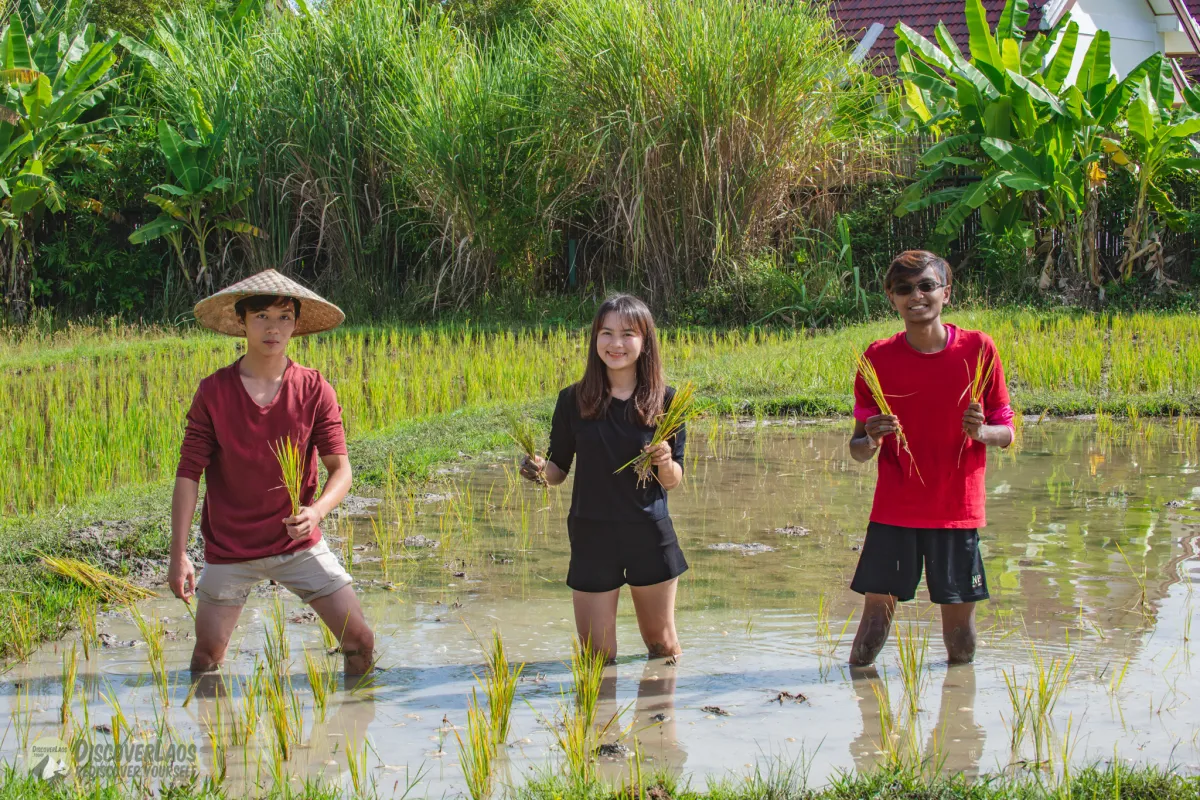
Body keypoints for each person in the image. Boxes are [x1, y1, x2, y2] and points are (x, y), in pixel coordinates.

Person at [168, 269, 375, 676]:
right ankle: (214, 734)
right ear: (242, 322)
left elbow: (341, 470)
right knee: (206, 657)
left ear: (296, 325)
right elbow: (188, 474)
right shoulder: (214, 391)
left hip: (297, 541)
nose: (273, 328)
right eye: (261, 316)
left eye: (283, 317)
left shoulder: (315, 389)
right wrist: (178, 555)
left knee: (361, 642)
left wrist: (315, 513)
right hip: (231, 547)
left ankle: (349, 730)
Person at [847, 251, 1014, 666]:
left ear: (946, 292)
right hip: (895, 512)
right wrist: (870, 439)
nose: (915, 296)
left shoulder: (978, 349)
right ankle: (867, 724)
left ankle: (958, 717)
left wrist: (981, 433)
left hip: (956, 511)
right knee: (871, 632)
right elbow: (857, 450)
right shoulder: (877, 358)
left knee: (960, 639)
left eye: (926, 286)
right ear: (891, 297)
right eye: (904, 289)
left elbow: (1006, 430)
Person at [519, 294, 689, 662]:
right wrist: (538, 470)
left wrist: (662, 461)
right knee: (597, 656)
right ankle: (598, 721)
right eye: (606, 333)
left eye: (628, 334)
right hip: (591, 533)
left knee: (661, 646)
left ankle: (661, 718)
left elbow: (674, 478)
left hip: (648, 532)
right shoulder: (573, 400)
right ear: (595, 338)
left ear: (645, 341)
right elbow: (558, 470)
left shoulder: (667, 400)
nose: (616, 344)